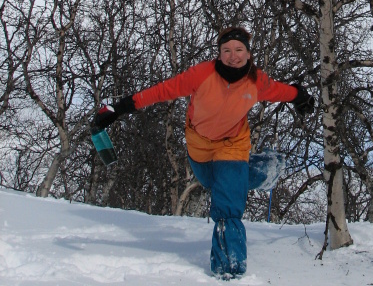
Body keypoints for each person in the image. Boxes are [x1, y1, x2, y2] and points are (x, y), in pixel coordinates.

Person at [93, 26, 314, 280]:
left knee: (227, 203)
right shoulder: (202, 74)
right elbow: (163, 90)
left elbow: (279, 90)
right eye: (227, 50)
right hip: (199, 145)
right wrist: (119, 108)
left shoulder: (256, 81)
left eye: (239, 50)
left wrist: (299, 96)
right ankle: (264, 170)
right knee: (214, 182)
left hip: (233, 143)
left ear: (249, 54)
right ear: (219, 54)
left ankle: (229, 270)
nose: (233, 56)